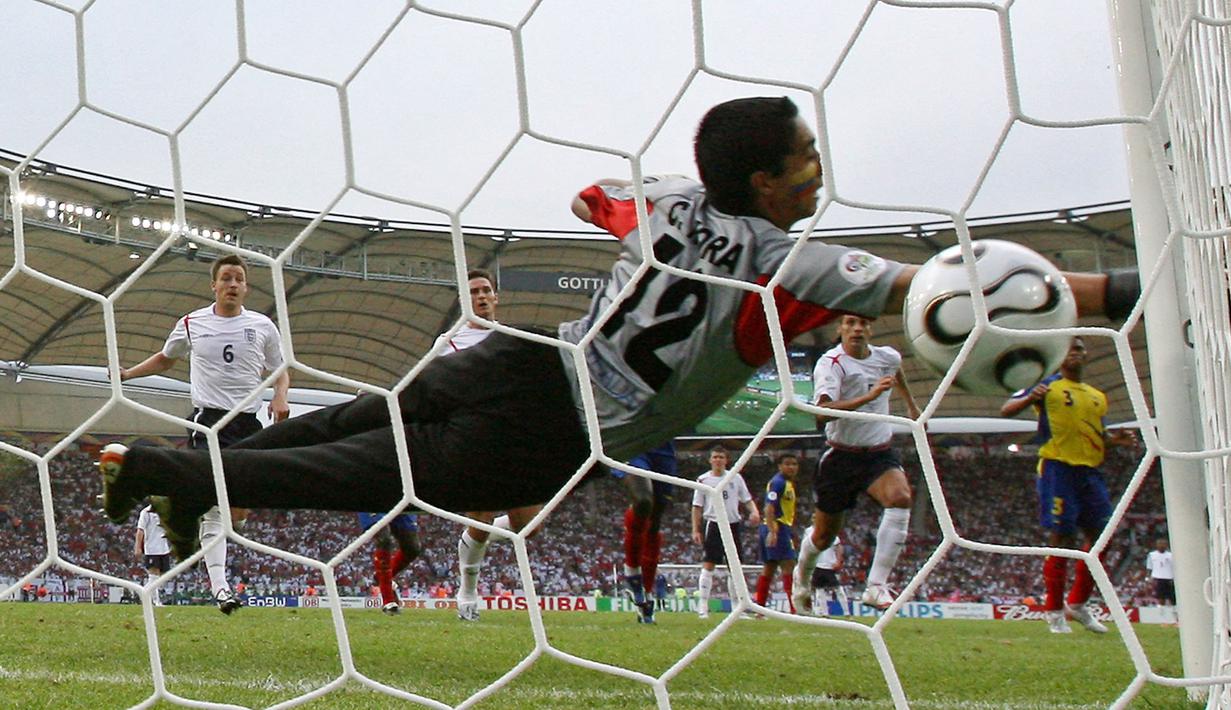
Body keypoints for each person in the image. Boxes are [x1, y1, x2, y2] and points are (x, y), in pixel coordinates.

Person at [96, 96, 1139, 579]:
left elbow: (597, 194)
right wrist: (1115, 288)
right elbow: (951, 290)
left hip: (524, 355)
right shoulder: (795, 262)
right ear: (767, 183)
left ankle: (185, 467)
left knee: (359, 418)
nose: (818, 170)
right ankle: (179, 475)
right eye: (805, 158)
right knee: (370, 463)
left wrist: (625, 213)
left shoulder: (672, 200)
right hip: (571, 415)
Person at [115, 253, 289, 615]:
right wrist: (128, 374)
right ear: (214, 285)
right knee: (214, 508)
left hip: (248, 425)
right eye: (226, 278)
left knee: (236, 512)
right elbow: (167, 358)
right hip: (207, 423)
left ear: (246, 286)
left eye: (239, 279)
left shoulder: (262, 326)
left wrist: (280, 396)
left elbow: (280, 369)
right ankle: (221, 589)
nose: (233, 284)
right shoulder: (193, 323)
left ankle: (194, 515)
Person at [1000, 336, 1137, 634]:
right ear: (1060, 356)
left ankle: (1076, 604)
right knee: (1062, 540)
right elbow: (1006, 409)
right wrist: (1029, 397)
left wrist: (1116, 441)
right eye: (1071, 349)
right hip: (1057, 469)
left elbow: (1098, 437)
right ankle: (1053, 611)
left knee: (1102, 538)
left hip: (1090, 472)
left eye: (1080, 349)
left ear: (1086, 356)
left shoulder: (1097, 396)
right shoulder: (1048, 385)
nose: (1076, 353)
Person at [792, 314, 921, 615]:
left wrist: (912, 407)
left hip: (878, 452)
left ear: (870, 329)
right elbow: (822, 413)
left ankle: (876, 586)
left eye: (863, 323)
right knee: (823, 537)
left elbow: (896, 369)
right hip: (840, 456)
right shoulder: (831, 363)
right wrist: (870, 396)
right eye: (850, 323)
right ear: (840, 329)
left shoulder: (887, 356)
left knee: (900, 498)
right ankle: (801, 579)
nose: (857, 328)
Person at [449, 270, 546, 623]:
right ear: (465, 299)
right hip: (476, 437)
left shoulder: (514, 338)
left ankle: (474, 537)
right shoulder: (451, 341)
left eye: (487, 290)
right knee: (482, 516)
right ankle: (468, 592)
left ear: (497, 297)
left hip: (517, 438)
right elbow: (430, 387)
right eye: (474, 292)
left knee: (527, 527)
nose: (482, 296)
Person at [690, 446, 760, 619]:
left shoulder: (735, 477)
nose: (718, 460)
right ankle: (703, 607)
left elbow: (747, 498)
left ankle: (737, 609)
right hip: (714, 524)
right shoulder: (704, 480)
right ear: (710, 460)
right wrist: (696, 529)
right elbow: (697, 507)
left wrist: (754, 511)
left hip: (733, 525)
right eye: (715, 457)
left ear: (726, 460)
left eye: (721, 457)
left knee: (735, 568)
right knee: (709, 564)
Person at [615, 441, 678, 624]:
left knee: (654, 522)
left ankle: (647, 593)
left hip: (663, 446)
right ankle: (632, 574)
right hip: (632, 440)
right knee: (643, 502)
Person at [755, 453, 800, 614]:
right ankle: (795, 609)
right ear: (780, 466)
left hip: (777, 527)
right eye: (787, 464)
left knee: (769, 567)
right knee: (789, 565)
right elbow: (769, 507)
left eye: (794, 464)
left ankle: (759, 609)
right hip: (776, 527)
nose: (791, 467)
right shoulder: (778, 483)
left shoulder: (786, 483)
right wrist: (773, 531)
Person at [358, 509, 421, 616]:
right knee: (384, 538)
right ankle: (388, 601)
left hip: (401, 498)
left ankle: (380, 577)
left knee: (412, 548)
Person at [135, 503, 172, 606]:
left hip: (164, 548)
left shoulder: (165, 510)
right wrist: (138, 547)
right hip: (152, 548)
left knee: (160, 577)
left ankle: (143, 592)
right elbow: (140, 530)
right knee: (153, 576)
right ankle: (156, 601)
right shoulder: (146, 512)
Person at [811, 536, 846, 617]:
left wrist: (838, 561)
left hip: (830, 567)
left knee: (838, 589)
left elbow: (839, 548)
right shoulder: (810, 532)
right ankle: (825, 613)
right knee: (819, 591)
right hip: (817, 566)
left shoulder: (833, 535)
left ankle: (847, 612)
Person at [1146, 537, 1176, 624]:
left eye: (1164, 544)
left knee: (1172, 599)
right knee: (1160, 598)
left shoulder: (1170, 555)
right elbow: (1149, 567)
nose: (1162, 545)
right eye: (1160, 544)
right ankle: (1162, 619)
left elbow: (1174, 567)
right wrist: (1148, 578)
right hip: (1158, 578)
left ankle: (1175, 618)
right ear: (1157, 545)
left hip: (1169, 578)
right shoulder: (1152, 555)